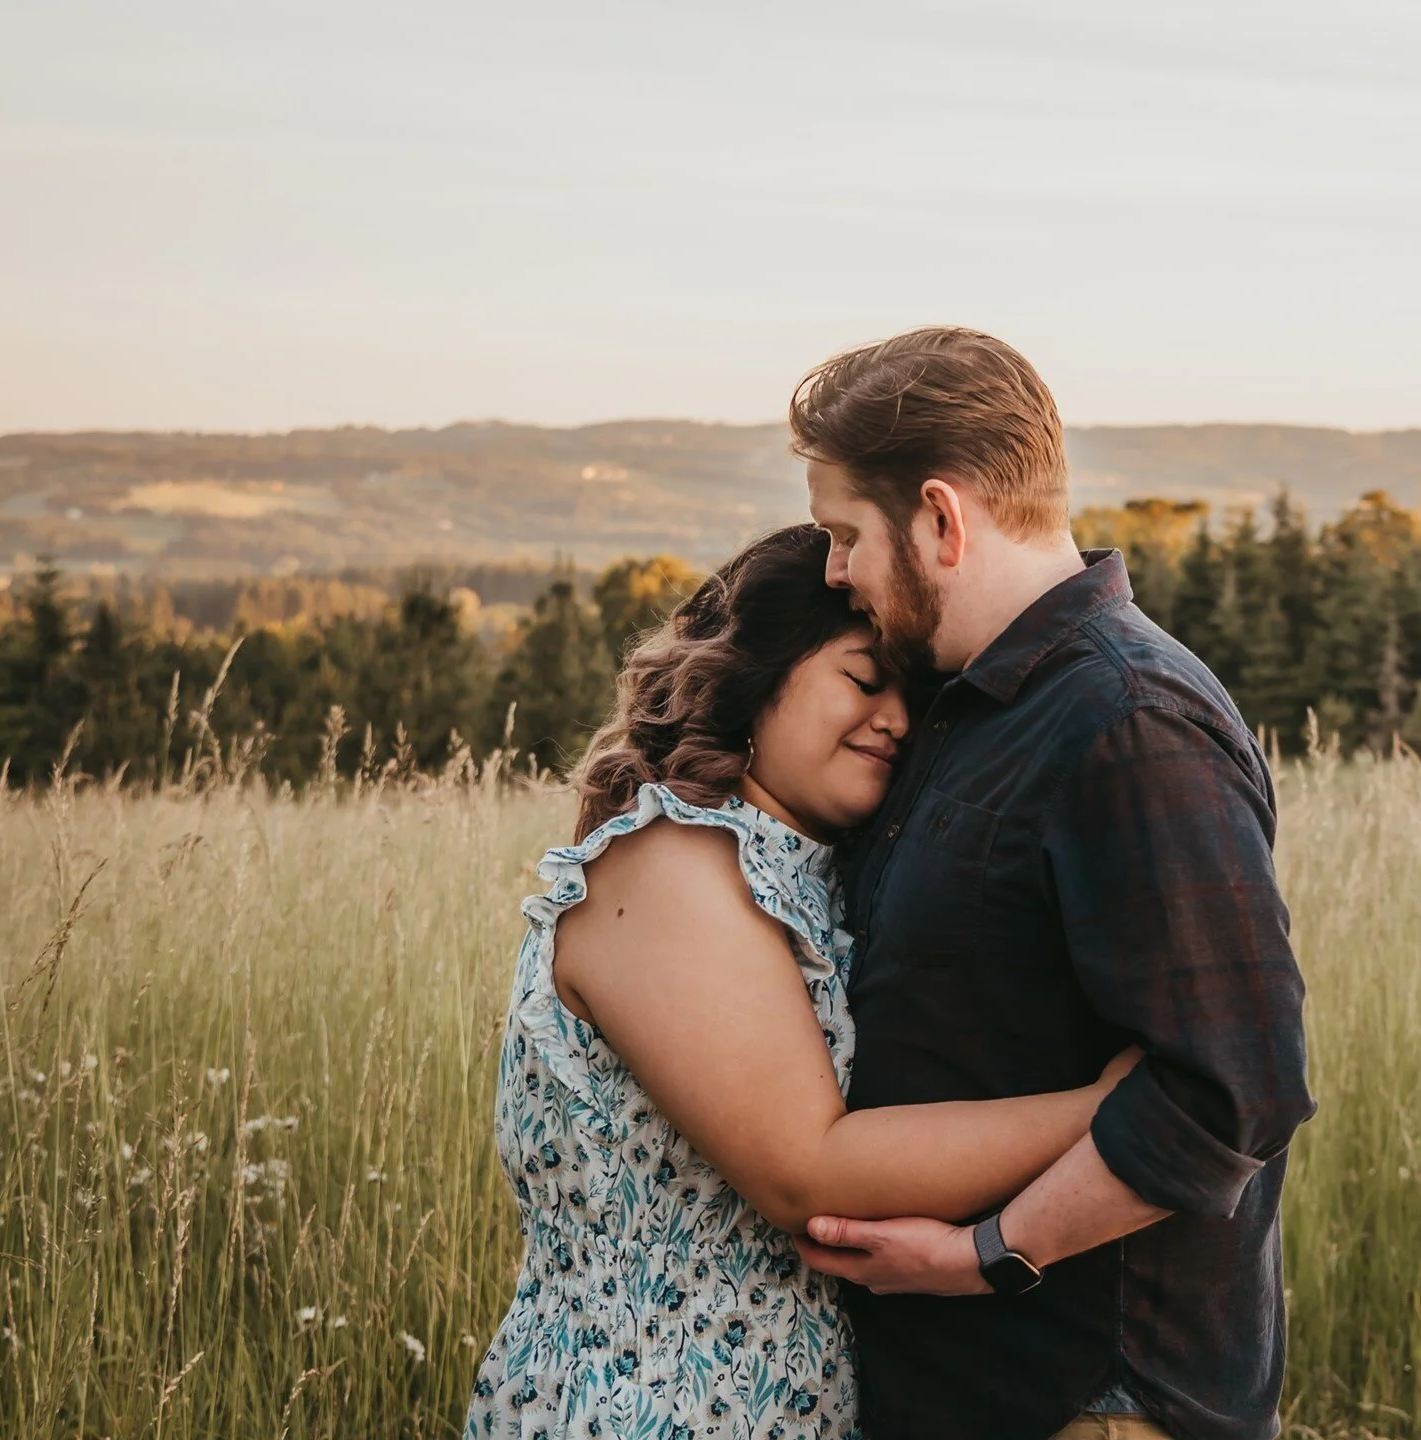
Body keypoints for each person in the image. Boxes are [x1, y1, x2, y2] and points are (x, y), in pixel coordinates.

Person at [464, 524, 1137, 1440]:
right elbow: (807, 1173)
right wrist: (1115, 1106)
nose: (897, 720)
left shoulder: (805, 874)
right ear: (756, 676)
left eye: (915, 697)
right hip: (648, 1405)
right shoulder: (673, 868)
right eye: (864, 681)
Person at [792, 326, 1317, 1440]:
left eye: (844, 534)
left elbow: (1232, 1089)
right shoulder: (969, 710)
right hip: (967, 1390)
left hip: (1091, 1398)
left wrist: (990, 1254)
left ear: (942, 516)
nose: (833, 570)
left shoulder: (1127, 721)